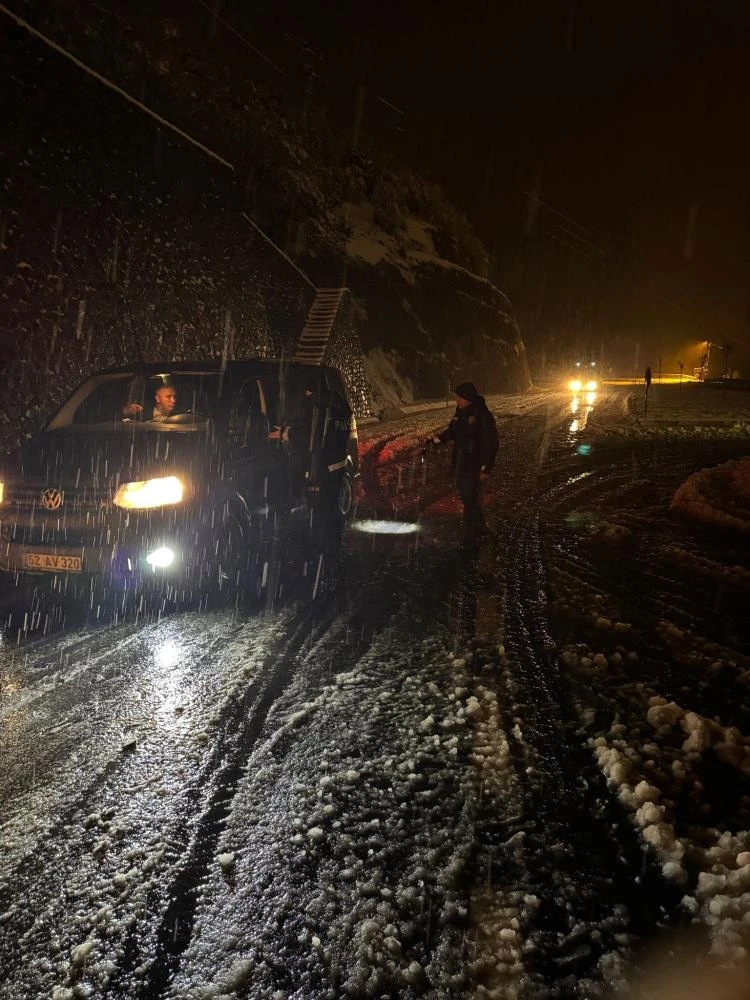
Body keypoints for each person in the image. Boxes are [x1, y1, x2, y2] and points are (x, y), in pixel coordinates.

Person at [427, 381, 499, 544]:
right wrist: (438, 440)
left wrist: (485, 467)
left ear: (468, 398)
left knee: (468, 497)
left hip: (474, 463)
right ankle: (479, 526)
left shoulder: (482, 415)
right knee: (469, 497)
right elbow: (453, 430)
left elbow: (492, 442)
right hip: (461, 461)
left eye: (459, 398)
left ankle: (469, 536)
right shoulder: (461, 411)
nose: (456, 401)